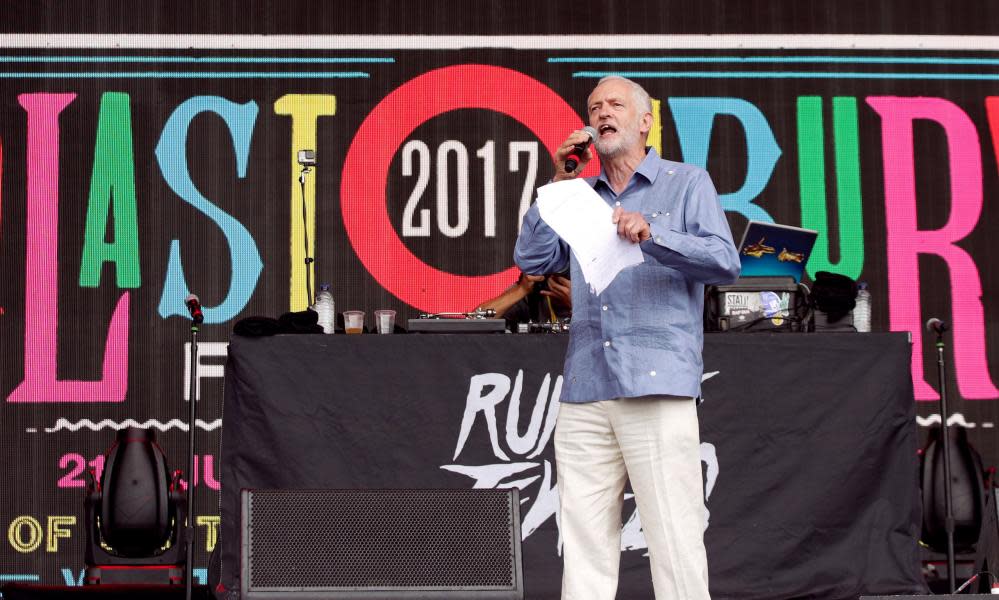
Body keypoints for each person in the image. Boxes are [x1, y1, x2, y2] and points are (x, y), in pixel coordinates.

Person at [514, 76, 740, 600]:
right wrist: (557, 181)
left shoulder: (685, 182)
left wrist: (654, 234)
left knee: (674, 537)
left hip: (656, 383)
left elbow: (725, 262)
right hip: (587, 386)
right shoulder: (577, 196)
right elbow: (531, 260)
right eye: (594, 107)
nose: (602, 113)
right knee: (585, 543)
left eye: (615, 104)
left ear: (645, 121)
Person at [476, 271, 571, 329]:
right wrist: (521, 290)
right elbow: (475, 320)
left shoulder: (585, 295)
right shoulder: (534, 291)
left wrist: (577, 305)